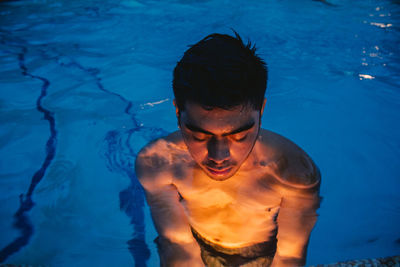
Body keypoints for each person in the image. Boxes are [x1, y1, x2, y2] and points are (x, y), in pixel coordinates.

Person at [135, 32, 321, 267]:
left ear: (261, 110)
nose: (218, 156)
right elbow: (177, 242)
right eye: (200, 136)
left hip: (261, 255)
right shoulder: (156, 163)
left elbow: (289, 255)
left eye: (239, 136)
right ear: (177, 112)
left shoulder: (292, 173)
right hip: (197, 245)